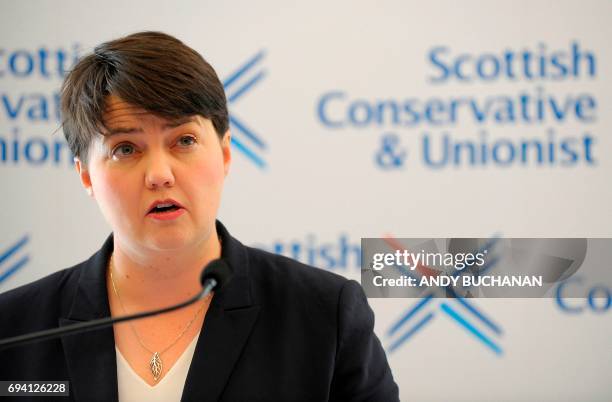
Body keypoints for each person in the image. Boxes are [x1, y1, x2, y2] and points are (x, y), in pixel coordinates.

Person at [0, 31, 399, 402]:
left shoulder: (323, 317)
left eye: (184, 140)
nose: (159, 175)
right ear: (86, 174)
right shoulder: (16, 327)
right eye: (125, 149)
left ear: (225, 153)